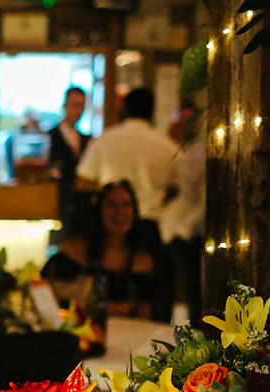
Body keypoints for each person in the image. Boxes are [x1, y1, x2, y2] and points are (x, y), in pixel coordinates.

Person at [42, 180, 159, 319]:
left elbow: (149, 317)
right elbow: (49, 300)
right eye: (112, 205)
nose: (120, 212)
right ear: (98, 211)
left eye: (126, 205)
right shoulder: (72, 254)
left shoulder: (145, 261)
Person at [75, 87, 178, 229]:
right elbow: (180, 185)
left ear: (125, 109)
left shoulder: (104, 140)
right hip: (153, 224)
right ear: (152, 111)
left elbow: (83, 182)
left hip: (112, 223)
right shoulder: (167, 146)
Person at [158, 109, 206, 324]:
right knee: (170, 288)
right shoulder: (185, 151)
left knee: (191, 289)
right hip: (173, 227)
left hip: (186, 230)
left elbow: (204, 200)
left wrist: (185, 229)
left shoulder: (200, 153)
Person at [48, 87, 91, 232]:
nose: (78, 111)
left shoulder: (86, 139)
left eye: (81, 106)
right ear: (65, 105)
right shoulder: (50, 137)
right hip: (57, 203)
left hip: (81, 207)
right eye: (74, 105)